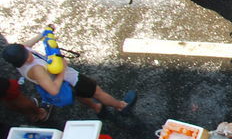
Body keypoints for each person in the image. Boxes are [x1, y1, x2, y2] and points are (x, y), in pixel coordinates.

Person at [2, 31, 136, 113]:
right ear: (21, 61)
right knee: (97, 91)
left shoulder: (20, 55)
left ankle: (96, 107)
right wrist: (62, 69)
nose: (30, 56)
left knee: (79, 95)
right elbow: (53, 90)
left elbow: (26, 45)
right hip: (70, 79)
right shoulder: (36, 70)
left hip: (68, 84)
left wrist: (44, 33)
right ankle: (120, 106)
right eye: (27, 58)